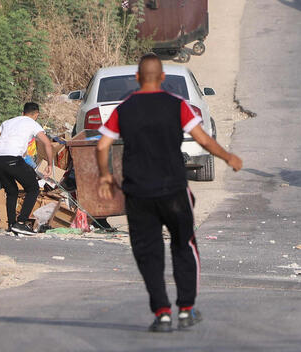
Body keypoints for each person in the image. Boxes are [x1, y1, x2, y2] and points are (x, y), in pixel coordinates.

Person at [96, 54, 243, 333]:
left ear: (138, 78)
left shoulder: (123, 109)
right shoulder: (178, 105)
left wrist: (105, 175)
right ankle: (186, 309)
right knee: (183, 245)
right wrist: (227, 157)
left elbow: (102, 145)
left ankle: (162, 313)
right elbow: (203, 139)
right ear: (162, 77)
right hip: (174, 191)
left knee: (148, 252)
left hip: (138, 194)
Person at [0, 103, 55, 236]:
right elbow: (47, 143)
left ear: (23, 113)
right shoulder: (32, 123)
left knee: (11, 191)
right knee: (33, 188)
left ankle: (12, 224)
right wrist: (50, 164)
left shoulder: (8, 122)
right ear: (36, 114)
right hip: (13, 159)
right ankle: (21, 223)